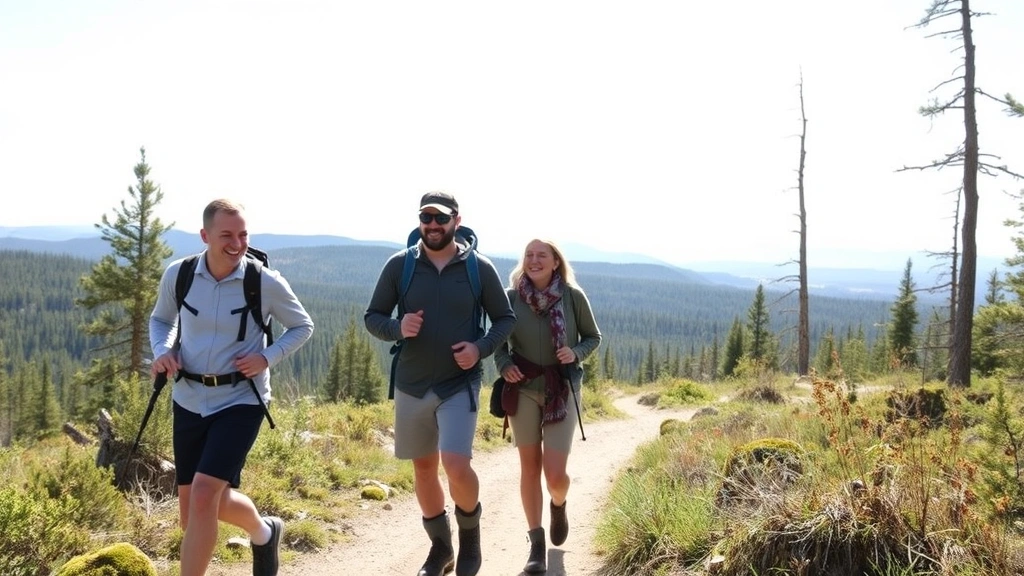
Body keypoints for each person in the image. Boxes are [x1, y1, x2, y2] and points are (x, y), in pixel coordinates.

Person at [149, 199, 314, 576]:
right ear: (205, 235)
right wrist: (162, 352)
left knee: (205, 496)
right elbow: (161, 320)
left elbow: (303, 326)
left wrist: (267, 357)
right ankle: (264, 531)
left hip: (241, 399)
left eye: (243, 234)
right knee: (193, 512)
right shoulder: (180, 274)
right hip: (188, 399)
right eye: (227, 235)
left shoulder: (264, 281)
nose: (237, 243)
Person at [364, 191, 516, 576]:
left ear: (456, 221)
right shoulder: (400, 266)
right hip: (412, 383)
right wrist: (397, 327)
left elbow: (505, 319)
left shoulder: (478, 268)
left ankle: (470, 543)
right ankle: (441, 549)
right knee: (424, 469)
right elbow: (373, 316)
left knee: (456, 463)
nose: (433, 225)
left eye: (441, 218)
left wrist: (479, 348)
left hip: (458, 383)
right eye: (426, 218)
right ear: (420, 221)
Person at [494, 238, 602, 574]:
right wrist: (503, 366)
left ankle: (559, 503)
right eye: (529, 255)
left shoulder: (573, 297)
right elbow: (497, 344)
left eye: (542, 255)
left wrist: (576, 353)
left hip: (562, 389)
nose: (534, 260)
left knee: (555, 475)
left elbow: (593, 337)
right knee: (529, 467)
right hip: (523, 387)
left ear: (556, 262)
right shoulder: (510, 299)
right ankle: (536, 546)